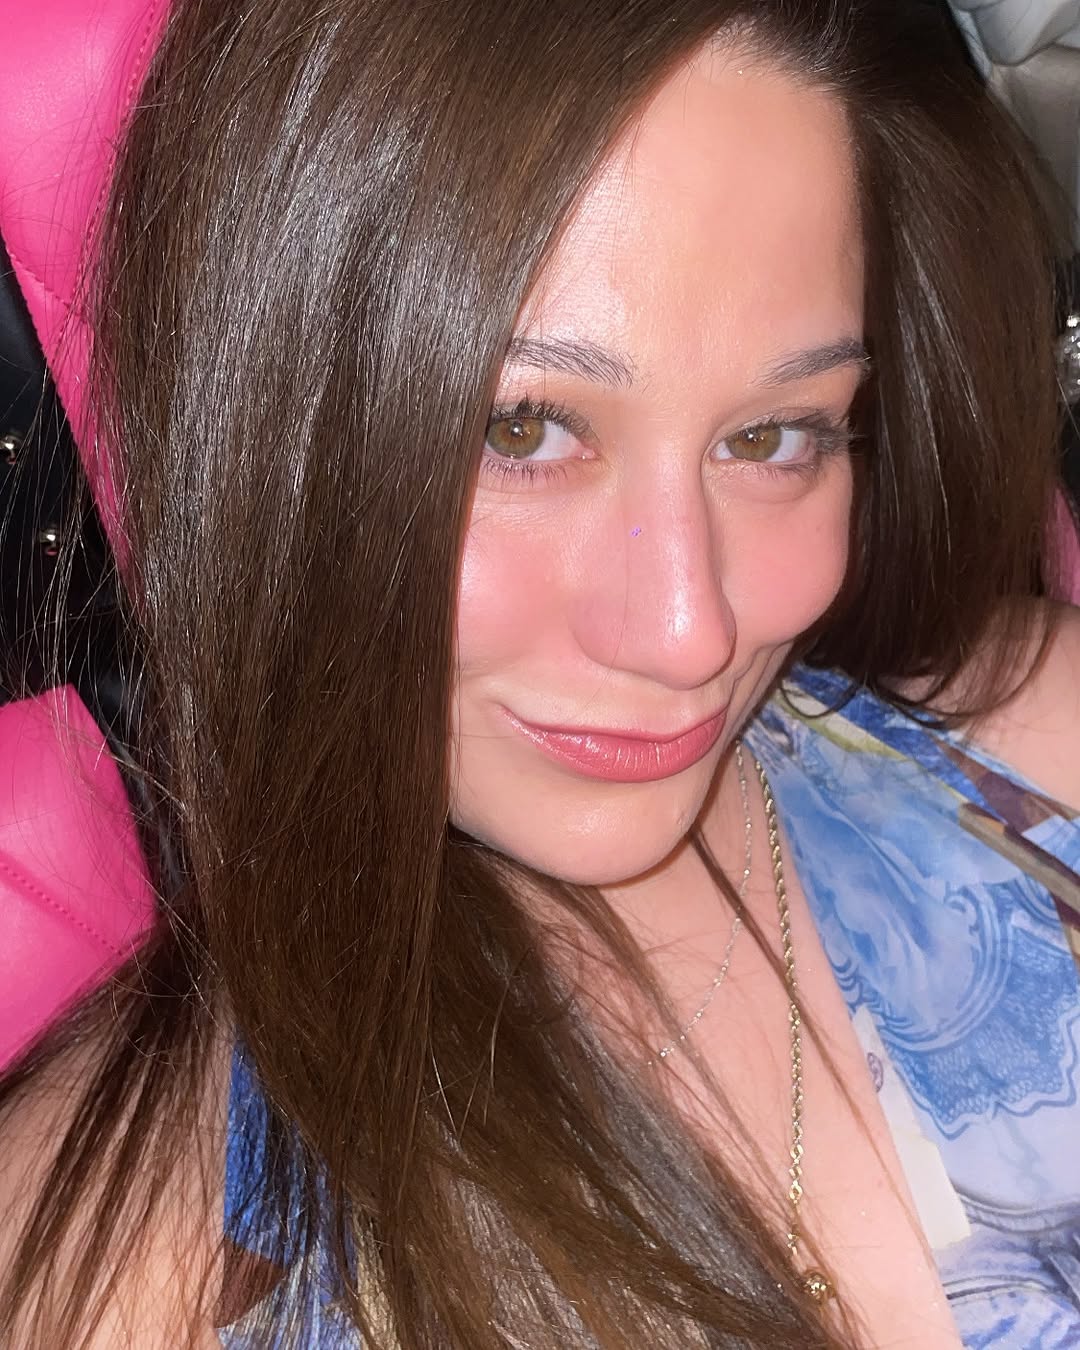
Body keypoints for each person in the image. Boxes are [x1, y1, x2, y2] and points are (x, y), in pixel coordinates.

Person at [1, 0, 1078, 1346]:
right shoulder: (105, 1267)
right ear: (279, 434)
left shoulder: (1028, 747)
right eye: (521, 429)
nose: (689, 631)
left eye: (776, 436)